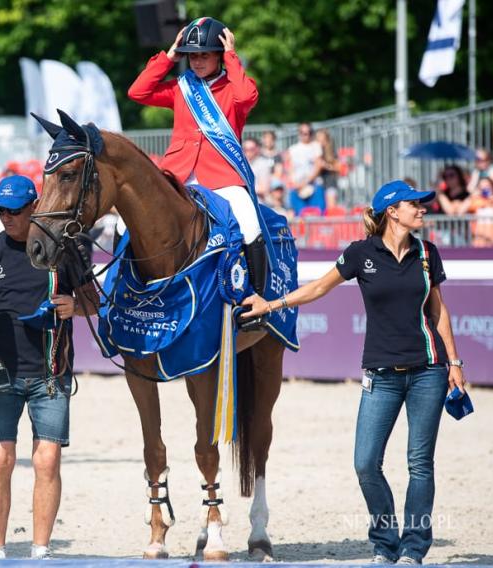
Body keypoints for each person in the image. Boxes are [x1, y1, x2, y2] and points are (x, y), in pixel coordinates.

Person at [240, 179, 466, 564]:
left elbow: (438, 310)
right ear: (392, 211)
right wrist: (271, 305)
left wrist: (455, 363)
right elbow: (318, 288)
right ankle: (385, 541)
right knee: (365, 463)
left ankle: (412, 548)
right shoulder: (361, 253)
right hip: (381, 372)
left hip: (429, 370)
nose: (423, 209)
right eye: (416, 204)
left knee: (419, 463)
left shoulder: (428, 253)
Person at [0, 175, 97, 560]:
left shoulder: (65, 252)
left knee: (47, 460)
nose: (7, 217)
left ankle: (40, 549)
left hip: (51, 373)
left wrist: (77, 307)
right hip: (0, 372)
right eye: (1, 211)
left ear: (34, 207)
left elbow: (93, 301)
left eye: (14, 211)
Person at [127, 17, 270, 324]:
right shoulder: (182, 87)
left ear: (219, 54)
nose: (198, 60)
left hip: (221, 177)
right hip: (176, 175)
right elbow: (137, 93)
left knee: (249, 222)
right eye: (193, 54)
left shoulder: (235, 89)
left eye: (205, 53)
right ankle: (129, 294)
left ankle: (255, 300)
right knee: (126, 223)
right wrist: (169, 56)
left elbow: (246, 98)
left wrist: (232, 56)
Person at [285, 122, 325, 215]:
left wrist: (305, 182)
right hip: (297, 188)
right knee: (299, 219)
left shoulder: (316, 146)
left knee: (317, 217)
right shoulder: (293, 149)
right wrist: (294, 183)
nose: (306, 135)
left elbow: (318, 166)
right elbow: (290, 167)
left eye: (308, 132)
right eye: (303, 132)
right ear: (299, 133)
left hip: (314, 186)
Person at [316, 128, 340, 209]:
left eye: (323, 140)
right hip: (318, 184)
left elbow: (338, 167)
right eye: (318, 140)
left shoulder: (331, 152)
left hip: (330, 182)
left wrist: (325, 165)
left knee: (331, 207)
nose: (321, 143)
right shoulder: (315, 151)